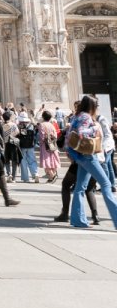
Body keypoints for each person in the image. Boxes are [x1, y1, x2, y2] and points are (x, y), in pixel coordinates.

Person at [66, 94, 117, 229]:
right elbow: (82, 133)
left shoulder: (76, 116)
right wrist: (95, 128)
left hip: (80, 156)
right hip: (88, 156)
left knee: (80, 188)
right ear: (92, 106)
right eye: (96, 105)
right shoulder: (86, 117)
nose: (97, 108)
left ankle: (78, 220)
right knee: (106, 184)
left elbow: (69, 136)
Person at [38, 110, 61, 182]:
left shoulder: (42, 125)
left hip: (45, 144)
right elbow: (55, 135)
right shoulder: (52, 124)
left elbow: (42, 136)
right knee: (52, 159)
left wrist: (41, 142)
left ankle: (52, 175)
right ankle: (52, 176)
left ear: (43, 117)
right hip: (53, 144)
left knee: (46, 160)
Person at [17, 111, 39, 182]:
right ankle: (35, 174)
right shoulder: (32, 126)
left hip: (23, 146)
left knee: (23, 161)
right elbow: (35, 135)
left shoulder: (20, 126)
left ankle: (25, 177)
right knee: (32, 160)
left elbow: (22, 135)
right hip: (31, 145)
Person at [1, 110, 22, 182]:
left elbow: (1, 135)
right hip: (13, 143)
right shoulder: (13, 124)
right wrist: (12, 136)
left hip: (6, 144)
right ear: (10, 117)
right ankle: (14, 177)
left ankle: (9, 174)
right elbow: (17, 132)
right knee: (14, 160)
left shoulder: (2, 125)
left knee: (6, 160)